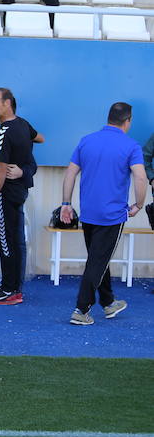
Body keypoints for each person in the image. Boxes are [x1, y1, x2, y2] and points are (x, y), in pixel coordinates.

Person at [59, 102, 146, 325]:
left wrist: (66, 203)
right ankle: (81, 310)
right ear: (128, 121)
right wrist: (139, 204)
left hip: (88, 213)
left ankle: (108, 302)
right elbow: (140, 177)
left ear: (108, 118)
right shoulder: (131, 146)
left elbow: (70, 173)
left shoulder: (86, 141)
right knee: (97, 261)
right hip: (113, 216)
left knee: (99, 257)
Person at [0, 88, 43, 305]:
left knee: (5, 242)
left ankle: (9, 290)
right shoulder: (23, 125)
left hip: (7, 194)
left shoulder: (5, 132)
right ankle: (12, 286)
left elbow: (0, 170)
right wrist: (24, 160)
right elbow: (40, 138)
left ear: (8, 104)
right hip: (19, 192)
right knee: (13, 241)